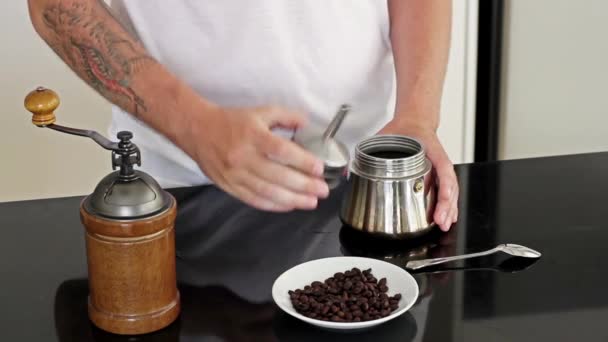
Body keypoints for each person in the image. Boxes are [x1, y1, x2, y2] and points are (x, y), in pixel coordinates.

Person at [27, 0, 458, 231]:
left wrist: (418, 115)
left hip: (361, 180)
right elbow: (55, 5)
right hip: (179, 192)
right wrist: (193, 126)